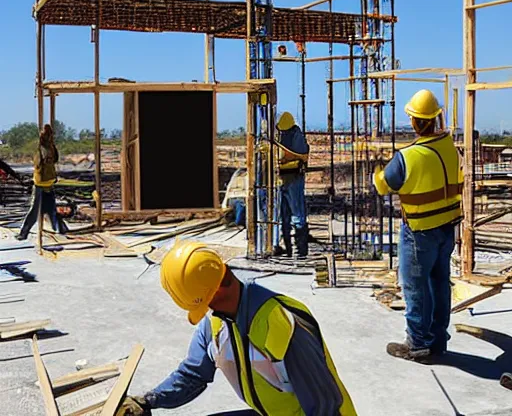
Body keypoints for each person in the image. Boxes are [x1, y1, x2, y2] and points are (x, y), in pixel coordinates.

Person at [117, 240, 358, 416]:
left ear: (216, 291)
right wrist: (147, 401)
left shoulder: (282, 326)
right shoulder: (214, 324)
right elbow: (193, 375)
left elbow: (324, 406)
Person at [373, 89, 463, 361]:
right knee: (439, 284)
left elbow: (383, 186)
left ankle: (418, 344)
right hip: (447, 228)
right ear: (436, 118)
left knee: (415, 287)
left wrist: (377, 171)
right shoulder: (449, 146)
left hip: (419, 231)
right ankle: (437, 340)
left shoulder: (408, 156)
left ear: (414, 121)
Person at [17, 124, 66, 240]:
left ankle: (24, 233)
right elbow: (55, 160)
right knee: (50, 209)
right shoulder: (49, 148)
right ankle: (61, 228)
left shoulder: (41, 149)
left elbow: (38, 164)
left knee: (36, 210)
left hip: (41, 182)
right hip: (47, 181)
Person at [274, 112, 310, 259]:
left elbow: (300, 153)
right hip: (283, 179)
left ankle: (298, 250)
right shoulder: (286, 134)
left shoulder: (295, 136)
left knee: (296, 215)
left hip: (293, 178)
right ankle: (289, 249)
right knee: (284, 216)